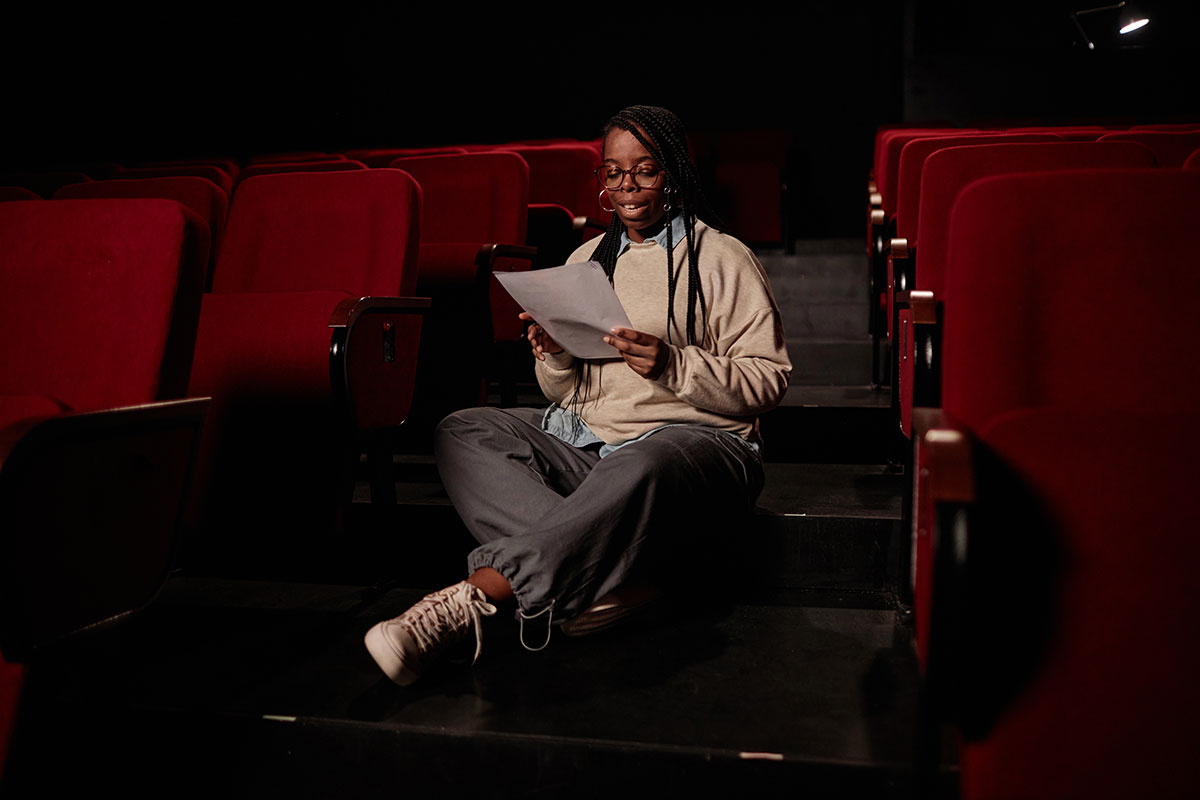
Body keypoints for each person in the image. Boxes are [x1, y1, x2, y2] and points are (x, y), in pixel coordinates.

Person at [364, 105, 791, 686]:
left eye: (645, 170)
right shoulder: (586, 260)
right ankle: (606, 584)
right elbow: (569, 395)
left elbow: (769, 378)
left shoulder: (721, 256)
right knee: (462, 429)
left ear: (674, 175)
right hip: (592, 446)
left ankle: (474, 599)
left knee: (645, 456)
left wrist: (675, 365)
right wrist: (557, 355)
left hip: (697, 446)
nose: (627, 187)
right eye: (613, 173)